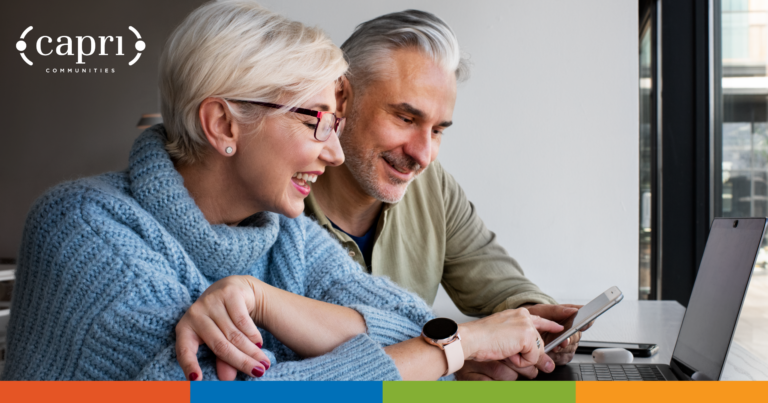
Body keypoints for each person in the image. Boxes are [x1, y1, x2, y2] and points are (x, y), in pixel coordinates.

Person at [2, 0, 562, 381]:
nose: (335, 151)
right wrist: (453, 350)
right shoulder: (81, 226)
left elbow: (407, 319)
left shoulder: (278, 233)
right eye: (313, 120)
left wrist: (261, 298)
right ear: (223, 125)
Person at [302, 10, 587, 381]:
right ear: (340, 98)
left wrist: (534, 321)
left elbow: (498, 281)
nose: (422, 155)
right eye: (405, 118)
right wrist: (452, 357)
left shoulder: (431, 184)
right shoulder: (275, 199)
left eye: (437, 130)